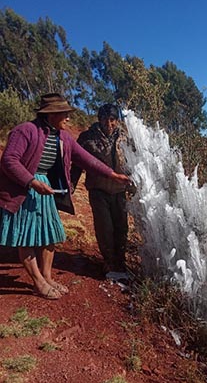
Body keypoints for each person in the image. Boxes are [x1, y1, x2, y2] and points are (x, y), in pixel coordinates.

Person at [0, 93, 131, 300]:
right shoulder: (25, 131)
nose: (68, 118)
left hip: (45, 189)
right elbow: (9, 160)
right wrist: (32, 182)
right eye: (65, 114)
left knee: (50, 234)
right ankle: (38, 282)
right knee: (27, 236)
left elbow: (86, 159)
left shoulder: (63, 137)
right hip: (25, 189)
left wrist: (112, 174)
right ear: (51, 114)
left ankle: (47, 277)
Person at [70, 104, 131, 282]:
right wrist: (71, 185)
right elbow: (77, 163)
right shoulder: (87, 138)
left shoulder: (126, 138)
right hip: (98, 190)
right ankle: (109, 262)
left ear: (117, 120)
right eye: (105, 119)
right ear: (99, 119)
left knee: (121, 228)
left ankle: (120, 262)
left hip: (120, 190)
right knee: (104, 227)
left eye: (112, 120)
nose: (109, 123)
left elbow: (135, 164)